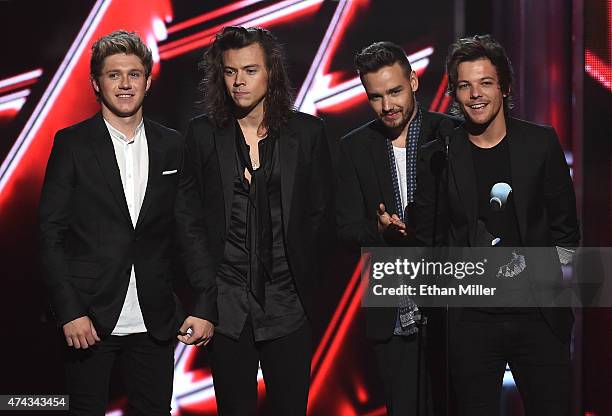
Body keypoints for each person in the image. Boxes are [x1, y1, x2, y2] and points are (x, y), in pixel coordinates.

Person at [39, 30, 216, 416]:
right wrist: (69, 311)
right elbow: (50, 234)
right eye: (113, 74)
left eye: (133, 74)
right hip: (88, 318)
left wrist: (204, 304)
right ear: (96, 84)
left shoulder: (171, 143)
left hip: (154, 319)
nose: (124, 84)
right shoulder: (72, 143)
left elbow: (189, 228)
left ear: (148, 81)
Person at [180, 26, 332, 415]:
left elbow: (321, 215)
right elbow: (189, 219)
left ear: (271, 73)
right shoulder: (201, 134)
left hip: (289, 301)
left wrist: (308, 285)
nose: (239, 82)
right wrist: (204, 296)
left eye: (250, 70)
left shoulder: (308, 132)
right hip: (227, 304)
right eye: (230, 72)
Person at [440, 34, 580, 415]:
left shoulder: (540, 143)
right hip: (472, 322)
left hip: (539, 317)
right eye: (465, 86)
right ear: (454, 93)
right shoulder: (443, 153)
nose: (475, 95)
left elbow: (567, 230)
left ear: (504, 87)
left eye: (485, 83)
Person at [335, 41, 455, 416]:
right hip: (393, 309)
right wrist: (380, 231)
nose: (387, 106)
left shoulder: (452, 133)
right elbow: (343, 227)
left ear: (414, 81)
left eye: (395, 92)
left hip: (452, 302)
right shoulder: (355, 147)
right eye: (375, 97)